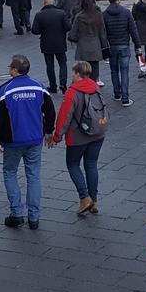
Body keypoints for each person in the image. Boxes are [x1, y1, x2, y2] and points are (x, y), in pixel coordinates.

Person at [0, 55, 57, 229]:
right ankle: (34, 217)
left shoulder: (6, 90)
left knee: (10, 172)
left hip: (13, 141)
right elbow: (50, 111)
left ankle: (16, 213)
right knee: (33, 175)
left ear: (14, 70)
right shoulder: (39, 87)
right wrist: (49, 131)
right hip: (35, 138)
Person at [52, 61, 108, 216]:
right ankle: (95, 200)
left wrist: (57, 136)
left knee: (73, 164)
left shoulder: (72, 92)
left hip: (78, 136)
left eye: (73, 73)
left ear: (77, 74)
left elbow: (65, 116)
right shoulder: (95, 87)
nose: (71, 75)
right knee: (91, 165)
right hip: (98, 133)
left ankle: (84, 197)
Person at [103, 0, 141, 106]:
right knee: (124, 71)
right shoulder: (126, 12)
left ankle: (117, 94)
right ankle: (125, 98)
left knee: (114, 71)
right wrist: (137, 45)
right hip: (124, 45)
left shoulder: (104, 14)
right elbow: (133, 30)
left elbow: (103, 33)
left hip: (112, 46)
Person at [31, 0, 72, 93]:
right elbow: (68, 27)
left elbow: (35, 30)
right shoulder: (61, 13)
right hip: (60, 43)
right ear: (53, 2)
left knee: (50, 65)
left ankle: (53, 86)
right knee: (62, 64)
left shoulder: (39, 15)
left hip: (46, 44)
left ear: (44, 3)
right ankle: (63, 83)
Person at [68, 0, 109, 81]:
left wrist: (77, 40)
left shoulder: (79, 17)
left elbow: (72, 34)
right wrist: (104, 46)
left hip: (83, 45)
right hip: (95, 44)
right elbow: (102, 32)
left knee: (83, 68)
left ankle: (85, 85)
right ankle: (94, 84)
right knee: (95, 66)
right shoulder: (98, 15)